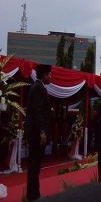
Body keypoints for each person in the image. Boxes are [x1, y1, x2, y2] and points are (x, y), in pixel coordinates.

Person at [25, 64, 52, 201]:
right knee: (34, 165)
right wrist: (42, 131)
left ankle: (34, 194)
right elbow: (37, 112)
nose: (51, 77)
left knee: (34, 165)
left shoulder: (37, 87)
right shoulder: (38, 88)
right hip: (36, 133)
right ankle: (33, 196)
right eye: (50, 74)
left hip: (35, 132)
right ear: (44, 75)